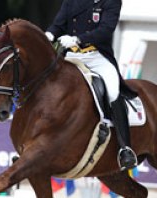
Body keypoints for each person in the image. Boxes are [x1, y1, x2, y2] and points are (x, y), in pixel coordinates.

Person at [45, 0, 137, 170]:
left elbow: (105, 30)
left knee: (112, 91)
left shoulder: (111, 2)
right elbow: (58, 24)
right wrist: (49, 35)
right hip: (71, 56)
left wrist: (77, 39)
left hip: (96, 56)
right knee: (46, 86)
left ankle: (125, 148)